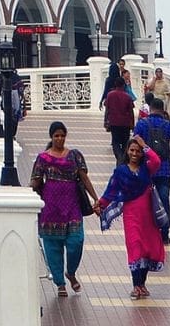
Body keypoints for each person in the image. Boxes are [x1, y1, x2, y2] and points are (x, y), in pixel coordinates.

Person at [31, 120, 99, 297]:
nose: (59, 139)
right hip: (51, 208)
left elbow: (84, 179)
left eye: (62, 135)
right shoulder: (43, 158)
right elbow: (35, 180)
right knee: (52, 246)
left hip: (72, 206)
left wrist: (96, 199)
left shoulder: (74, 156)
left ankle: (71, 272)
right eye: (56, 136)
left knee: (76, 241)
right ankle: (60, 283)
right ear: (51, 137)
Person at [97, 135, 166, 299]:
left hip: (149, 217)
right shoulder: (121, 172)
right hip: (132, 216)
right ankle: (136, 285)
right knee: (135, 247)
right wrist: (100, 204)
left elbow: (156, 161)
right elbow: (110, 191)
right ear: (127, 151)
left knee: (148, 249)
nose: (135, 153)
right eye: (132, 150)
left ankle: (142, 284)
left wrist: (145, 145)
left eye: (138, 151)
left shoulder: (146, 169)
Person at [133, 99, 170, 243]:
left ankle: (147, 231)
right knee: (164, 200)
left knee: (144, 201)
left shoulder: (142, 124)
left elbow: (134, 140)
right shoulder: (167, 125)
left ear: (150, 109)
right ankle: (164, 232)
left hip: (147, 169)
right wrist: (169, 120)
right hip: (164, 170)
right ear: (163, 110)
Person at [101, 68, 137, 159]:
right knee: (125, 143)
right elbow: (131, 112)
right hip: (125, 124)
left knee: (115, 143)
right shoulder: (128, 97)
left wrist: (106, 121)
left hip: (114, 123)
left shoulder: (110, 95)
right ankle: (122, 158)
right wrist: (132, 125)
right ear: (124, 85)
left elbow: (107, 109)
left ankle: (119, 158)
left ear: (115, 84)